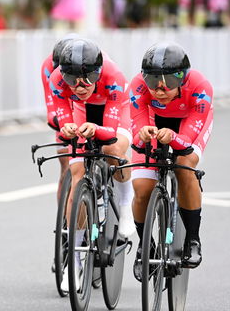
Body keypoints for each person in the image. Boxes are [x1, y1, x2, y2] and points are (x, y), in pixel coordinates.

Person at [49, 38, 136, 290]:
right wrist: (67, 128)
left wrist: (96, 130)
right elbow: (64, 126)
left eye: (88, 78)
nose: (80, 85)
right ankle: (73, 262)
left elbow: (109, 132)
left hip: (114, 108)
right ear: (63, 75)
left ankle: (124, 202)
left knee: (112, 150)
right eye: (72, 79)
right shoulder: (57, 81)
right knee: (77, 172)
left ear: (99, 72)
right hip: (82, 110)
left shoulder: (113, 76)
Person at [127, 42, 214, 280]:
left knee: (184, 168)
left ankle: (193, 239)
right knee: (142, 188)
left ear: (183, 80)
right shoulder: (137, 87)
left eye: (169, 82)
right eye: (153, 81)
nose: (160, 89)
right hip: (155, 123)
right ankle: (146, 245)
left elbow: (187, 141)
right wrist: (144, 133)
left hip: (188, 126)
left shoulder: (200, 87)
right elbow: (138, 128)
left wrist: (174, 138)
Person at [40, 33, 79, 202]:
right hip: (64, 104)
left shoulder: (90, 62)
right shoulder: (48, 67)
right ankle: (64, 220)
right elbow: (52, 111)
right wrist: (63, 124)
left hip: (87, 102)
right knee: (66, 162)